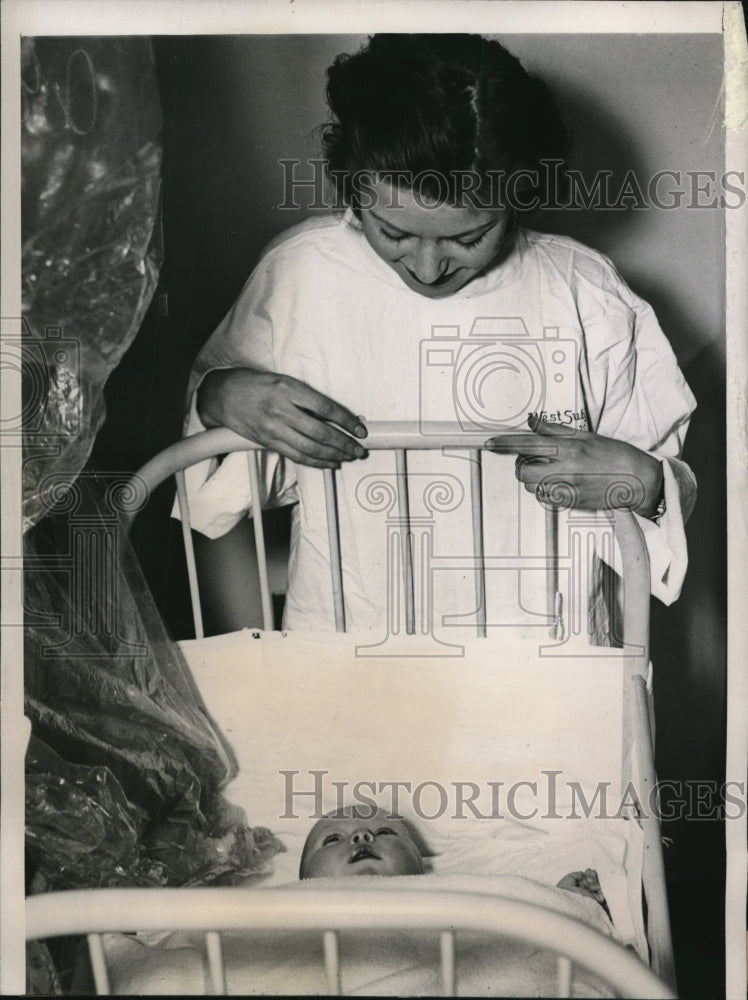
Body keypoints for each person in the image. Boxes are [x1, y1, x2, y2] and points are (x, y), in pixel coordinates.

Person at [180, 34, 696, 637]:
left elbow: (664, 481)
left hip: (546, 666)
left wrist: (645, 481)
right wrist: (220, 396)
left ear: (519, 198)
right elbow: (211, 496)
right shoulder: (299, 274)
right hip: (343, 661)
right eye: (393, 232)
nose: (428, 269)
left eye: (468, 238)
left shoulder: (585, 292)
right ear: (353, 186)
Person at [299, 807, 612, 921]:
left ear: (419, 865)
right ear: (301, 882)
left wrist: (567, 903)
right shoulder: (279, 912)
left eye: (384, 832)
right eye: (332, 839)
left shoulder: (453, 891)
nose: (361, 836)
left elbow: (516, 911)